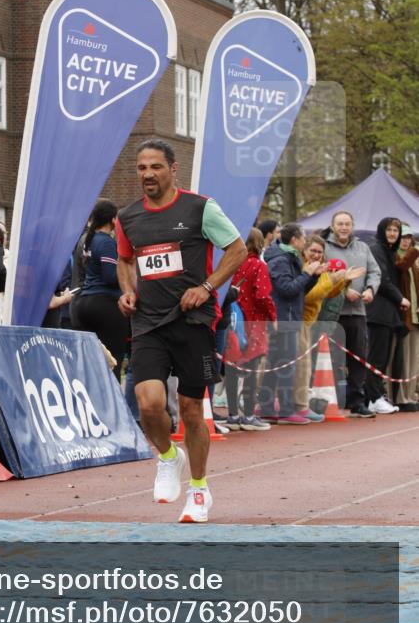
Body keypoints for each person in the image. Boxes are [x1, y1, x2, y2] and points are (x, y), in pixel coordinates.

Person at [116, 139, 246, 524]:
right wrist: (127, 291)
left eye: (156, 167)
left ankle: (200, 489)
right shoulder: (128, 217)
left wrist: (206, 287)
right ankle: (168, 458)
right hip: (148, 323)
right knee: (148, 402)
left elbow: (237, 249)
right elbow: (125, 260)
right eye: (141, 168)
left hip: (193, 321)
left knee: (191, 409)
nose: (148, 175)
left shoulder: (200, 208)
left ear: (173, 170)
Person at [293, 234, 363, 422]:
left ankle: (301, 405)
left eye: (320, 252)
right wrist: (333, 279)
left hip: (309, 322)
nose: (316, 255)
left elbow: (328, 293)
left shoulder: (320, 270)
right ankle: (299, 407)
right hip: (298, 321)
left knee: (306, 367)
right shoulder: (303, 269)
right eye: (313, 251)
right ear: (304, 251)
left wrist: (343, 280)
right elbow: (311, 295)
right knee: (302, 368)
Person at [259, 223, 321, 425]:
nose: (305, 241)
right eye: (303, 237)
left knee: (277, 365)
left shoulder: (289, 258)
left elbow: (299, 291)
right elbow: (286, 289)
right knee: (286, 366)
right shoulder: (280, 260)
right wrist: (306, 274)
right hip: (283, 320)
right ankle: (285, 410)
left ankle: (267, 408)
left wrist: (313, 275)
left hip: (287, 317)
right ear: (294, 239)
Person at [324, 210, 381, 418]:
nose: (344, 227)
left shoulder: (363, 248)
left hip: (358, 312)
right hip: (332, 313)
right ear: (332, 226)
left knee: (358, 357)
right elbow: (322, 274)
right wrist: (342, 289)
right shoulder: (325, 248)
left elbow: (375, 272)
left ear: (352, 226)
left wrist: (370, 290)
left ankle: (356, 401)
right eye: (340, 224)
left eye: (347, 224)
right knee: (331, 358)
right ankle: (329, 401)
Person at [224, 227, 277, 431]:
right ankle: (248, 415)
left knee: (232, 369)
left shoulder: (230, 263)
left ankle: (232, 414)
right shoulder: (258, 266)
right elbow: (263, 296)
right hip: (254, 323)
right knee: (252, 370)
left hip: (232, 320)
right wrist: (272, 316)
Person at [72, 199, 129, 380]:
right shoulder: (105, 242)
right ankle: (111, 405)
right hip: (104, 306)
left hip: (83, 304)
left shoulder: (86, 241)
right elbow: (110, 277)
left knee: (89, 362)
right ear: (114, 220)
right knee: (112, 362)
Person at [365, 217, 408, 414]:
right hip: (377, 312)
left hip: (387, 314)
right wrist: (401, 298)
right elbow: (382, 279)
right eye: (389, 229)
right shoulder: (376, 249)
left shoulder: (390, 252)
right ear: (382, 230)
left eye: (395, 230)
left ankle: (375, 395)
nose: (392, 233)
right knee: (376, 356)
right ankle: (372, 397)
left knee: (381, 357)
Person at [395, 226, 419, 410]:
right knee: (402, 359)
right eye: (403, 237)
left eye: (409, 237)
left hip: (415, 316)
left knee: (414, 359)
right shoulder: (396, 256)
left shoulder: (414, 259)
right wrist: (415, 251)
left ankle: (411, 395)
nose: (405, 240)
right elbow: (402, 266)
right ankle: (400, 397)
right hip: (401, 317)